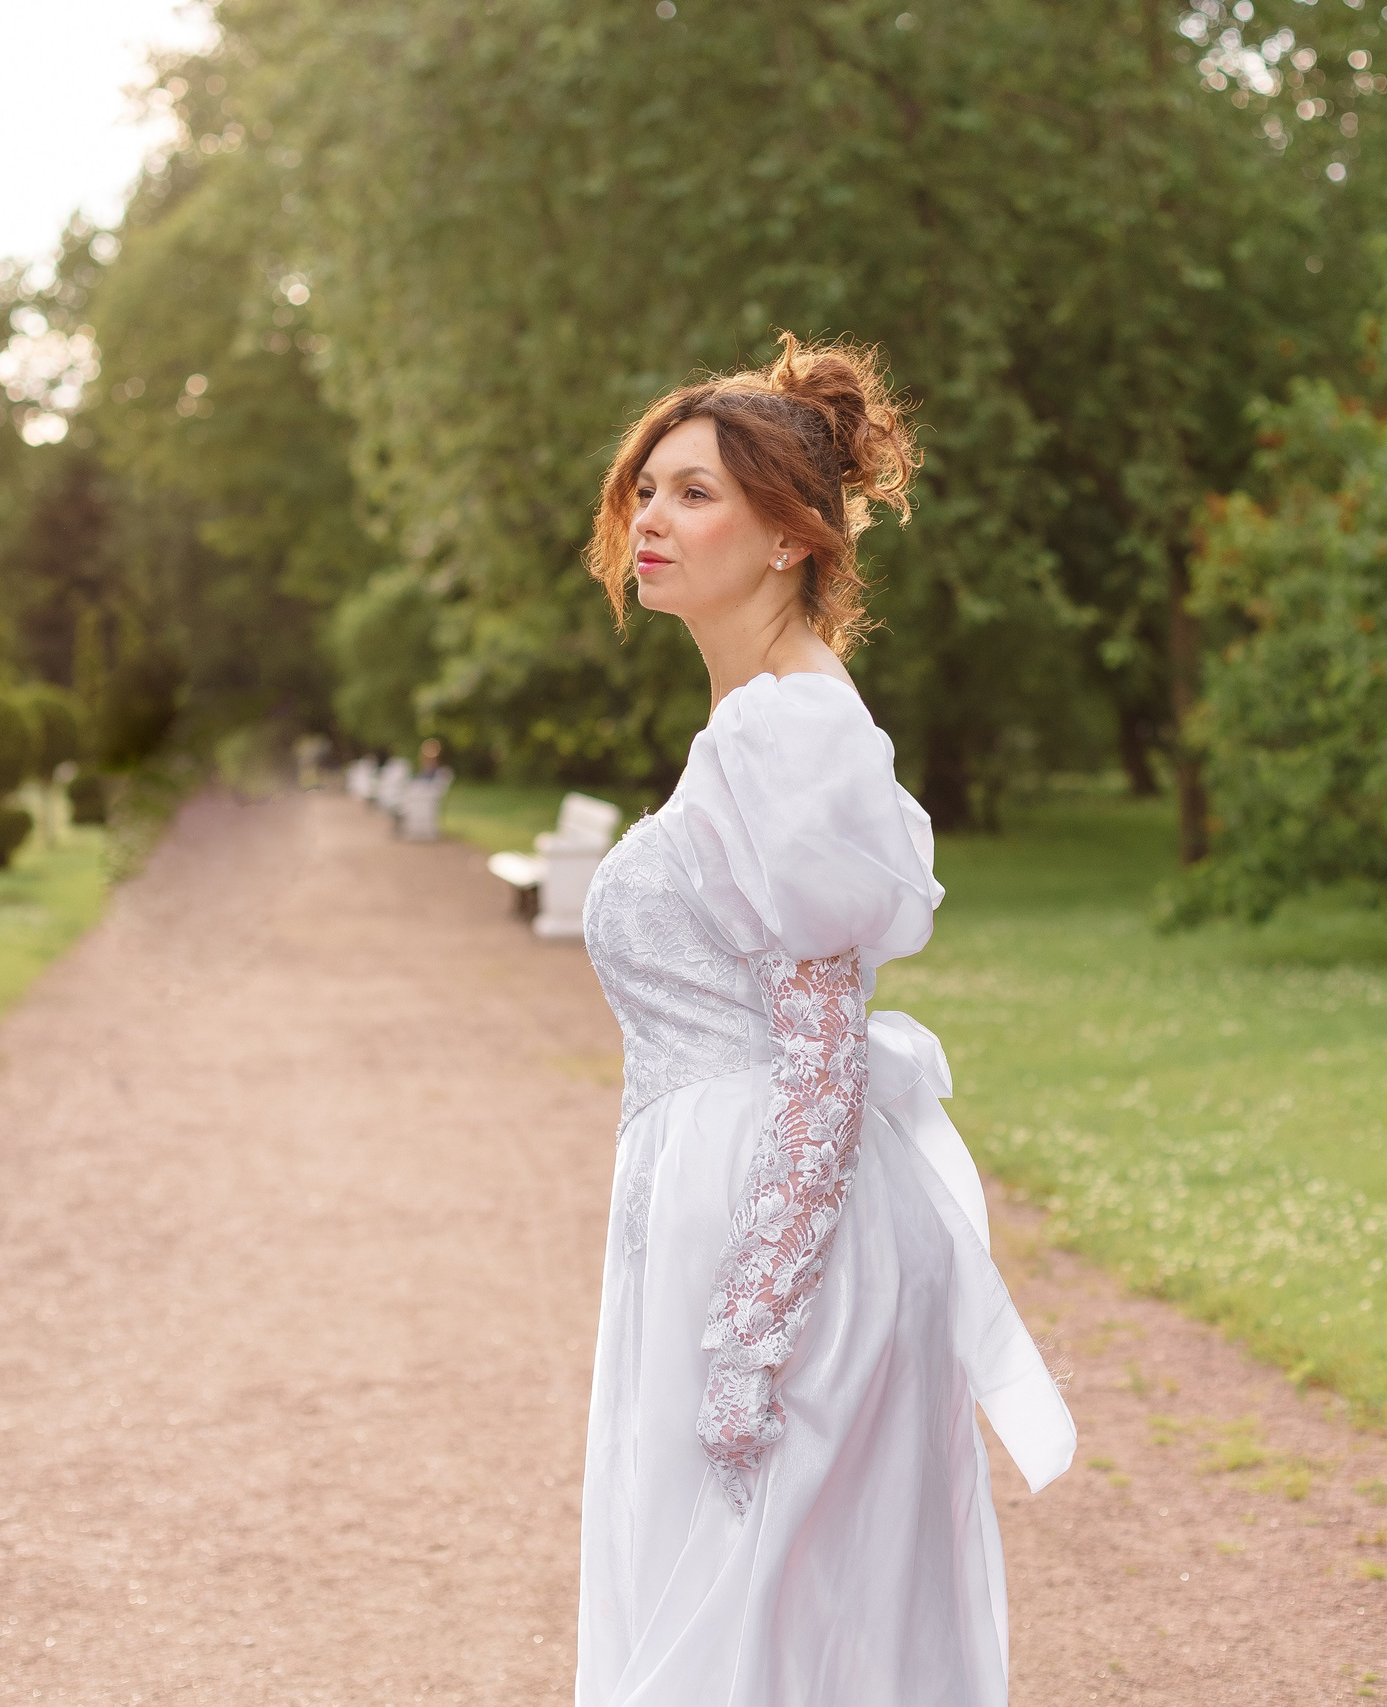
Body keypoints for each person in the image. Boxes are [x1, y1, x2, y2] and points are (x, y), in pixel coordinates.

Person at [574, 334, 1074, 1707]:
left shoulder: (785, 731)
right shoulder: (756, 723)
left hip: (773, 1228)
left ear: (792, 537)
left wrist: (757, 1321)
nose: (651, 522)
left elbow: (819, 1041)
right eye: (650, 492)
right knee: (743, 1613)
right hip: (716, 1207)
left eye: (693, 494)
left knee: (754, 1625)